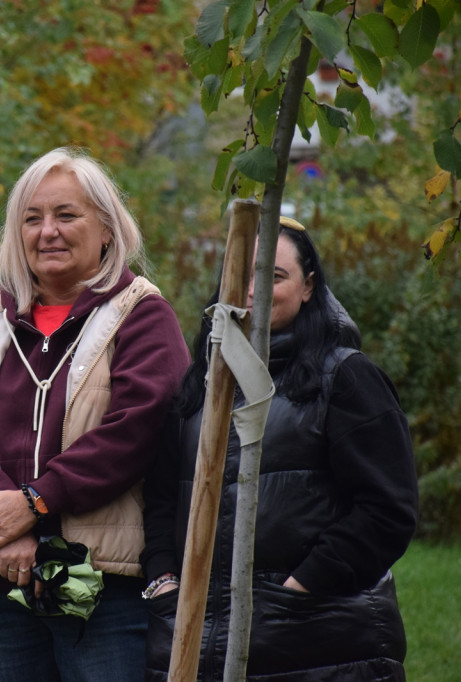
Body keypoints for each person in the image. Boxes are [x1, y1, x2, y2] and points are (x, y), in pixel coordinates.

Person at [0, 147, 192, 682]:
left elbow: (140, 424)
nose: (48, 231)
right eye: (32, 218)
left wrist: (37, 503)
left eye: (66, 215)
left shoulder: (140, 315)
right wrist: (7, 528)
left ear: (108, 230)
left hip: (102, 583)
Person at [141, 218, 418, 681]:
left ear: (309, 287)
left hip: (318, 644)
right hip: (192, 646)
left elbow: (387, 510)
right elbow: (162, 500)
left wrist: (300, 588)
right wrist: (164, 582)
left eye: (273, 276)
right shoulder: (202, 385)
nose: (253, 291)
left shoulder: (345, 378)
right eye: (241, 276)